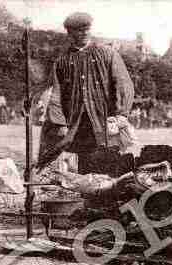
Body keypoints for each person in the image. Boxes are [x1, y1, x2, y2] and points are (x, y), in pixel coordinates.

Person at [37, 12, 134, 173]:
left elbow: (123, 83)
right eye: (79, 30)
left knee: (110, 159)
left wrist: (122, 114)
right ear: (70, 33)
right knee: (83, 162)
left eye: (87, 29)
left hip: (104, 118)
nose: (84, 33)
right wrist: (59, 122)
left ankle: (107, 194)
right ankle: (87, 194)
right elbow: (55, 92)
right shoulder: (62, 60)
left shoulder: (107, 53)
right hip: (76, 122)